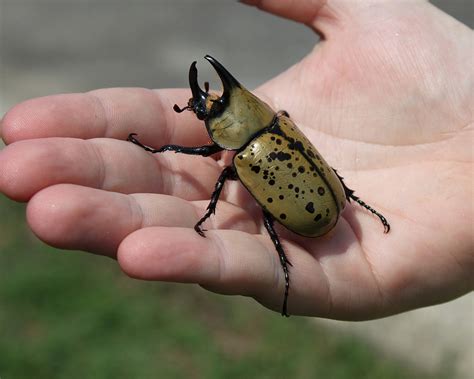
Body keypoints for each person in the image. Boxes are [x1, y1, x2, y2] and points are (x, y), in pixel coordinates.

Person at [0, 0, 472, 319]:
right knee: (257, 196)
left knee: (259, 210)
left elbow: (205, 165)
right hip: (326, 201)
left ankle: (288, 259)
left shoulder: (244, 155)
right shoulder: (279, 122)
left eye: (212, 109)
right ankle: (345, 208)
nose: (206, 107)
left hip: (313, 214)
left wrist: (169, 163)